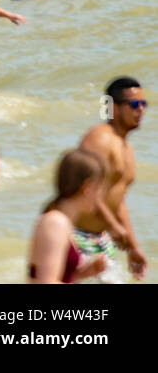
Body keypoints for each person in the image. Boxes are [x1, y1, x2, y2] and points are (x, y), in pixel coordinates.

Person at [76, 76, 147, 279]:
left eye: (143, 104)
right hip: (76, 233)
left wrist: (133, 247)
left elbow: (117, 200)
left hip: (102, 238)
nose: (140, 110)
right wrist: (114, 226)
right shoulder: (99, 138)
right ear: (113, 108)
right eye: (134, 104)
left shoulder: (127, 148)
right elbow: (85, 187)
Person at [27, 149, 109, 283]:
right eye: (101, 188)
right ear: (87, 187)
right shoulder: (55, 222)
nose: (102, 196)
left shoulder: (62, 222)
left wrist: (84, 273)